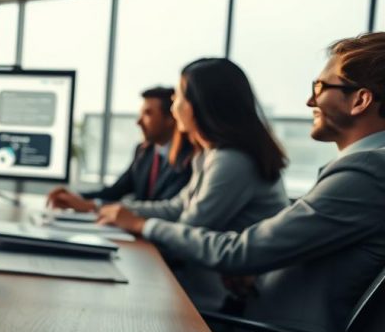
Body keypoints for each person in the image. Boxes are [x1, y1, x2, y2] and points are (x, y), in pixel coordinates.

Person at [103, 36, 385, 332]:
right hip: (266, 329)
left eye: (321, 86)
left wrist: (142, 224)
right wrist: (257, 274)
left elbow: (238, 252)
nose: (309, 98)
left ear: (359, 100)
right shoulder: (362, 170)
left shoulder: (366, 172)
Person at [97, 59, 290, 309]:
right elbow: (177, 208)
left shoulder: (233, 160)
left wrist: (138, 223)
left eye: (178, 97)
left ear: (199, 105)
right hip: (200, 291)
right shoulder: (211, 154)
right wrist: (118, 212)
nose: (174, 107)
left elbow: (190, 228)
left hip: (223, 302)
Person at [48, 86, 193, 210]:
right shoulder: (144, 151)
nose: (138, 122)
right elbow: (115, 191)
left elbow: (163, 208)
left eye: (148, 113)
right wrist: (74, 197)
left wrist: (93, 205)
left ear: (170, 118)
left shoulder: (189, 158)